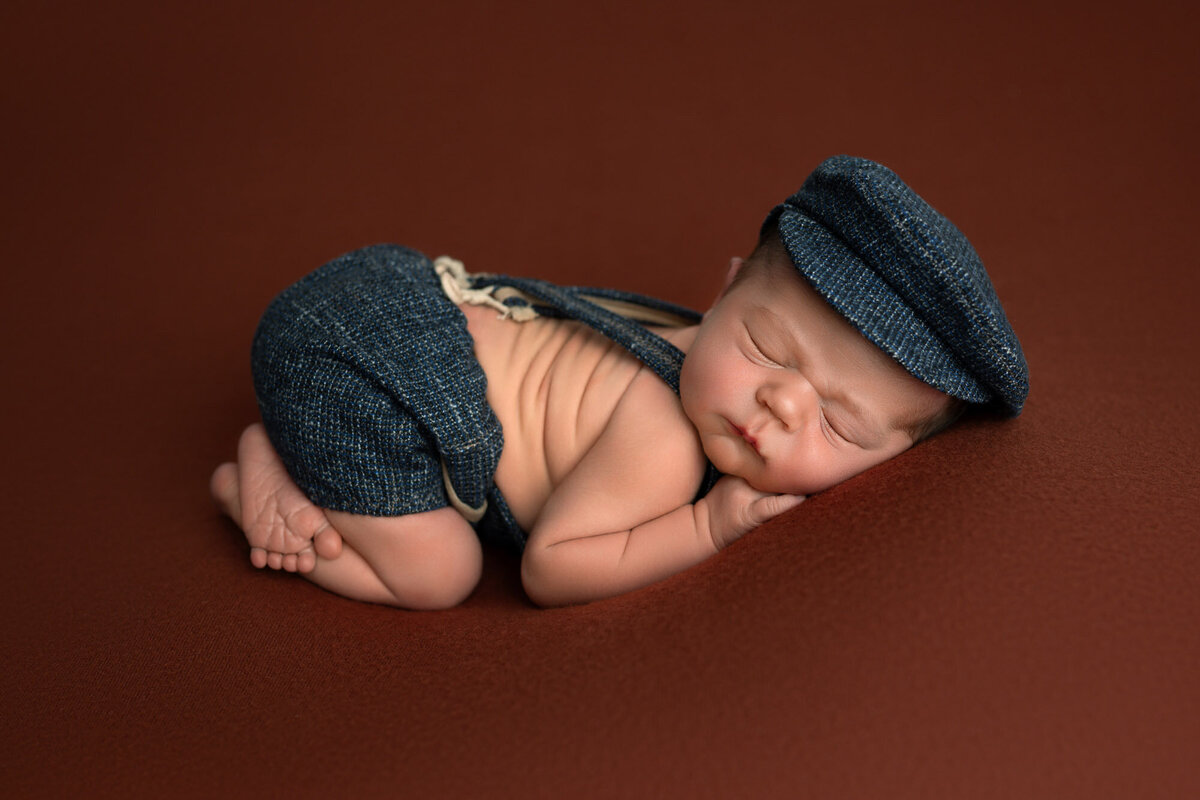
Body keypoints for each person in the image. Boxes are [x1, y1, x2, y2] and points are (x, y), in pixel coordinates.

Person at [210, 156, 1028, 609]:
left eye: (839, 426)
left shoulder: (683, 336)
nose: (782, 403)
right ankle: (267, 478)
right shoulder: (664, 441)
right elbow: (551, 566)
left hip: (392, 286)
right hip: (364, 387)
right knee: (439, 575)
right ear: (723, 290)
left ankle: (294, 442)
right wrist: (707, 527)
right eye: (766, 349)